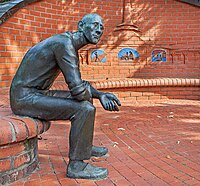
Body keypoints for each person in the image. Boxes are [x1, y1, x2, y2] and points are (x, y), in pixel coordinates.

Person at [10, 13, 121, 180]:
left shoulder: (66, 43)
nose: (99, 31)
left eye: (102, 28)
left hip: (36, 93)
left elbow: (80, 86)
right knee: (84, 108)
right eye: (95, 25)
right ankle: (77, 165)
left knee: (86, 101)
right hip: (24, 98)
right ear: (81, 25)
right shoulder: (64, 44)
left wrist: (100, 94)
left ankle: (84, 146)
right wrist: (95, 96)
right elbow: (78, 89)